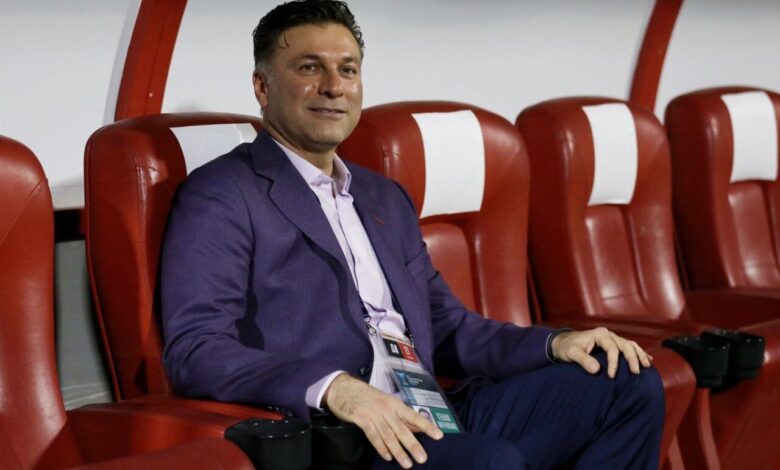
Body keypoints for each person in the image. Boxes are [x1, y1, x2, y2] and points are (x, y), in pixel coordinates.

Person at [161, 1, 664, 468]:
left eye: (348, 69)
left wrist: (557, 343)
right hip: (346, 437)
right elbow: (196, 348)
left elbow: (449, 328)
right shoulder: (223, 193)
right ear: (262, 87)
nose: (334, 86)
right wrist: (333, 387)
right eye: (310, 68)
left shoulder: (383, 197)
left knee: (628, 382)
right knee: (487, 460)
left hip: (433, 412)